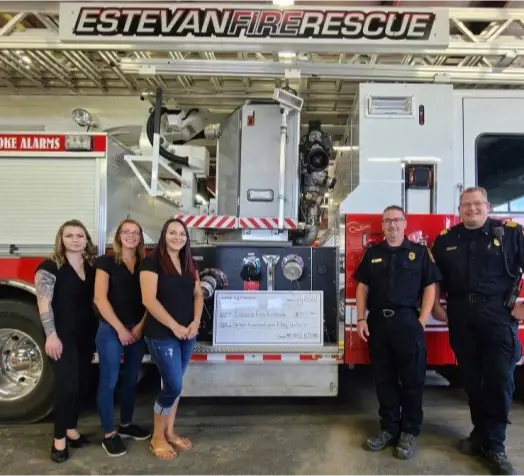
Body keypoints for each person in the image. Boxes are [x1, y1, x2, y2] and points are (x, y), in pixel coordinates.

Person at [432, 186, 524, 476]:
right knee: (471, 380)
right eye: (466, 205)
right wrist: (436, 306)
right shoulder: (446, 240)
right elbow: (433, 277)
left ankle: (495, 444)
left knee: (499, 379)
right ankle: (480, 432)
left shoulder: (509, 234)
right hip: (461, 316)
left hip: (498, 315)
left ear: (488, 205)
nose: (472, 209)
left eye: (477, 204)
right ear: (459, 209)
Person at [354, 205, 441, 460]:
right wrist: (361, 318)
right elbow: (362, 288)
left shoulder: (419, 253)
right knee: (384, 379)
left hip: (407, 322)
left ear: (405, 223)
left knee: (413, 379)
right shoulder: (373, 254)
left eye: (396, 220)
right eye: (387, 221)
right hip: (379, 323)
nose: (392, 225)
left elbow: (430, 286)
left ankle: (409, 431)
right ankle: (389, 428)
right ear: (382, 226)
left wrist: (422, 320)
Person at [139, 218, 204, 460]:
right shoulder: (151, 262)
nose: (178, 237)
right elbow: (149, 300)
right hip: (162, 334)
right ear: (164, 235)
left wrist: (194, 323)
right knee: (174, 385)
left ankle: (169, 432)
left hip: (187, 333)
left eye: (182, 234)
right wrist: (175, 326)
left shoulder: (188, 262)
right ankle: (157, 437)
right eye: (172, 233)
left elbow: (198, 294)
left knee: (173, 387)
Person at [34, 219, 98, 463]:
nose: (75, 239)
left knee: (80, 384)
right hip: (60, 336)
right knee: (67, 386)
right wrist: (51, 334)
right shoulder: (49, 267)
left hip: (85, 335)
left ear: (86, 241)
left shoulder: (89, 267)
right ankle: (58, 439)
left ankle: (71, 429)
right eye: (69, 235)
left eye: (80, 235)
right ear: (61, 239)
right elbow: (43, 302)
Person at [93, 218, 151, 457]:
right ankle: (109, 434)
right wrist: (120, 329)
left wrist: (140, 326)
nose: (130, 235)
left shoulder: (145, 264)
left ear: (140, 238)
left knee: (131, 379)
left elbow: (151, 299)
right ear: (118, 236)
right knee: (109, 380)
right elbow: (100, 299)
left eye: (135, 232)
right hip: (110, 329)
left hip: (137, 329)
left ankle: (125, 426)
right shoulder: (106, 262)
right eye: (125, 231)